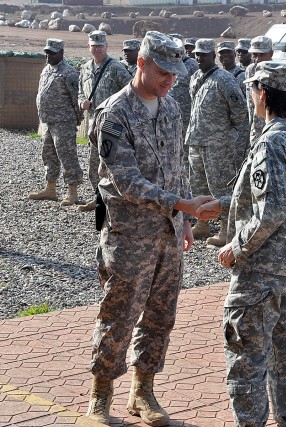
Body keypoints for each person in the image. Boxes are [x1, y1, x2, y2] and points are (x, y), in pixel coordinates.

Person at [85, 31, 213, 426]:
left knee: (160, 316)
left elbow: (177, 168)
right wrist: (179, 205)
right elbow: (126, 180)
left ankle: (142, 392)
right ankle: (100, 397)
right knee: (119, 315)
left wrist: (184, 219)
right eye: (163, 71)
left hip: (169, 234)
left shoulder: (171, 108)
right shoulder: (114, 114)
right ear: (141, 63)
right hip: (130, 236)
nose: (169, 80)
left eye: (175, 73)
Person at [195, 60, 286, 427]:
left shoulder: (271, 142)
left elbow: (273, 210)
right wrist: (222, 204)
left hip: (263, 276)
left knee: (247, 361)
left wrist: (236, 247)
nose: (251, 95)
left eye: (253, 89)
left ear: (263, 94)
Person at [186, 39, 249, 246]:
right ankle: (202, 223)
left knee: (221, 187)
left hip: (218, 145)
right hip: (196, 140)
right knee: (198, 185)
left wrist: (227, 135)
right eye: (197, 54)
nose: (199, 58)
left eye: (204, 54)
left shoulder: (224, 79)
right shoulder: (195, 77)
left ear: (213, 56)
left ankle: (226, 229)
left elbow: (239, 112)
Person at [77, 31, 132, 212]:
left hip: (112, 121)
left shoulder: (116, 67)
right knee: (94, 161)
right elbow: (80, 92)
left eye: (100, 46)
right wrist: (81, 102)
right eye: (94, 45)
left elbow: (130, 90)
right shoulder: (85, 68)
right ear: (89, 47)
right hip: (93, 120)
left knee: (111, 160)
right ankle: (98, 197)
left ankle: (116, 200)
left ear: (106, 47)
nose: (97, 49)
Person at [30, 39, 84, 207]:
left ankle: (72, 192)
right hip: (49, 121)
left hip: (64, 122)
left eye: (52, 53)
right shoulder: (47, 70)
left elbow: (77, 98)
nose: (48, 56)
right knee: (48, 154)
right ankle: (50, 188)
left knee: (67, 156)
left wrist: (76, 118)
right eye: (47, 53)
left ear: (61, 53)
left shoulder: (69, 73)